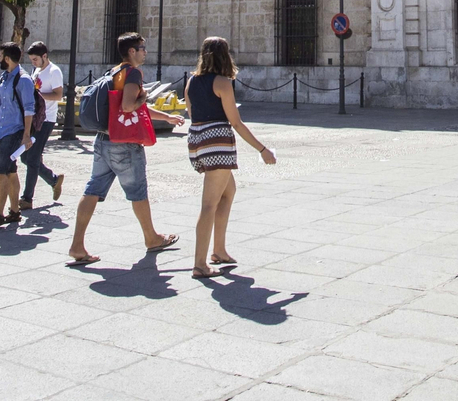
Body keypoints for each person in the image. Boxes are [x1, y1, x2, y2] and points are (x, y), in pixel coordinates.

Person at [66, 33, 184, 265]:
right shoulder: (132, 72)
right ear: (131, 51)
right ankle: (151, 238)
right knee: (137, 191)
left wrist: (166, 117)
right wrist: (144, 96)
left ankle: (77, 245)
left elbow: (126, 107)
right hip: (124, 144)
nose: (145, 52)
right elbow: (130, 106)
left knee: (93, 190)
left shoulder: (114, 72)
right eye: (141, 48)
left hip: (103, 140)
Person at [185, 37, 276, 278]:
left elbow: (191, 112)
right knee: (208, 204)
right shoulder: (222, 83)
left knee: (228, 192)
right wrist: (262, 149)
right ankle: (199, 264)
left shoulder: (191, 81)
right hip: (218, 143)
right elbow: (235, 122)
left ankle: (219, 251)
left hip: (198, 141)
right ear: (225, 56)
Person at [0, 44, 35, 230]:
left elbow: (29, 109)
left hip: (14, 132)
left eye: (1, 55)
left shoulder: (24, 80)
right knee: (10, 172)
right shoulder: (4, 78)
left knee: (0, 173)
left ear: (7, 58)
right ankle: (15, 211)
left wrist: (26, 135)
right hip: (2, 132)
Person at [20, 42, 67, 210]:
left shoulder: (54, 72)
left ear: (44, 56)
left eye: (35, 59)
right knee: (25, 157)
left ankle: (27, 199)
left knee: (32, 158)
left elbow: (58, 95)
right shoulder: (37, 70)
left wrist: (38, 95)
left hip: (46, 119)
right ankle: (53, 179)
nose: (33, 63)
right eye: (31, 60)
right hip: (34, 119)